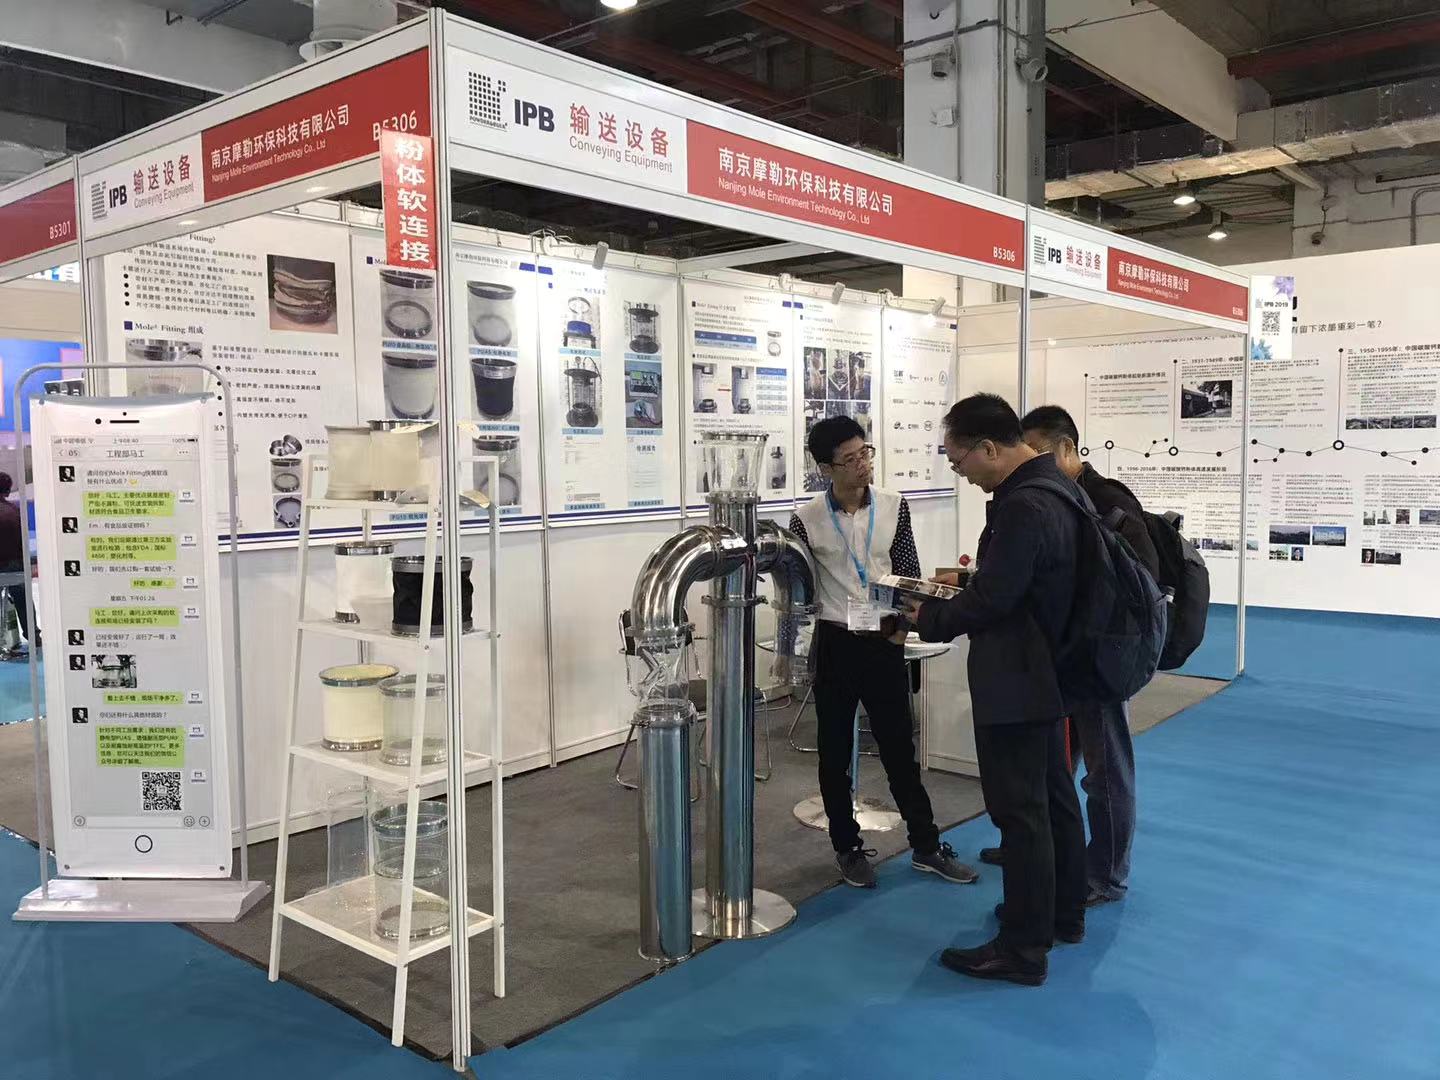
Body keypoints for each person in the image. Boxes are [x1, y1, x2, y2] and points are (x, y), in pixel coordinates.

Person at [904, 393, 1086, 986]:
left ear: (988, 448)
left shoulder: (1024, 505)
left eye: (958, 461)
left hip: (1018, 678)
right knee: (1052, 798)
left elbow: (996, 600)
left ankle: (1023, 948)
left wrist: (925, 618)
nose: (959, 473)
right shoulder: (1057, 489)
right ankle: (1060, 914)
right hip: (1048, 672)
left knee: (1020, 813)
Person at [789, 416, 977, 890]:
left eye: (865, 453)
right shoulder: (805, 519)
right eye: (849, 459)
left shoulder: (895, 506)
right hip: (835, 642)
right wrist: (792, 650)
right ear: (825, 468)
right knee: (834, 753)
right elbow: (798, 590)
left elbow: (908, 574)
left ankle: (926, 846)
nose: (862, 465)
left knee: (899, 750)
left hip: (884, 640)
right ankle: (847, 848)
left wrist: (903, 631)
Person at [1015, 405, 1158, 908]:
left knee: (1106, 770)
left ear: (1068, 448)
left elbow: (1140, 580)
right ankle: (1051, 849)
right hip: (1068, 655)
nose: (1028, 462)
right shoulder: (1056, 495)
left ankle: (1108, 874)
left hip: (1101, 658)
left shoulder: (1104, 499)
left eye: (1036, 452)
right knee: (1058, 764)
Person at [0, 472, 34, 652]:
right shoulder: (15, 511)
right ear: (7, 491)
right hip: (15, 566)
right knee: (23, 599)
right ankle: (33, 635)